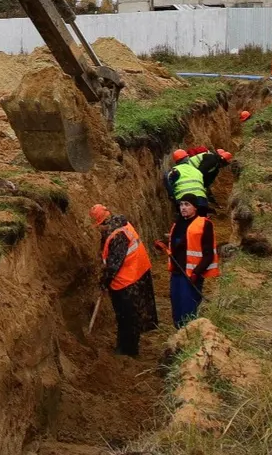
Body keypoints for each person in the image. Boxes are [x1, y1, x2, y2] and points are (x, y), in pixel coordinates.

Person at [91, 204, 158, 357]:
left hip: (129, 281)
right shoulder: (120, 223)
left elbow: (114, 265)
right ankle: (124, 347)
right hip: (135, 274)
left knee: (128, 317)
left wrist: (104, 282)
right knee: (127, 317)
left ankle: (128, 351)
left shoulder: (117, 235)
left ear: (102, 223)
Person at [160, 197, 219, 325]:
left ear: (195, 207)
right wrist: (164, 244)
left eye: (187, 204)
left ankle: (189, 337)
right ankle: (179, 336)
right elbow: (178, 245)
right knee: (177, 307)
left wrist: (197, 273)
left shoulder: (204, 224)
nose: (183, 207)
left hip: (191, 275)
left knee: (188, 310)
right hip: (177, 272)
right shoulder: (177, 224)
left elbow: (208, 255)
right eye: (181, 205)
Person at [165, 146, 232, 213]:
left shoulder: (214, 167)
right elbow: (202, 176)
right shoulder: (210, 161)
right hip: (196, 191)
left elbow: (206, 182)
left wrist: (173, 196)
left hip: (186, 195)